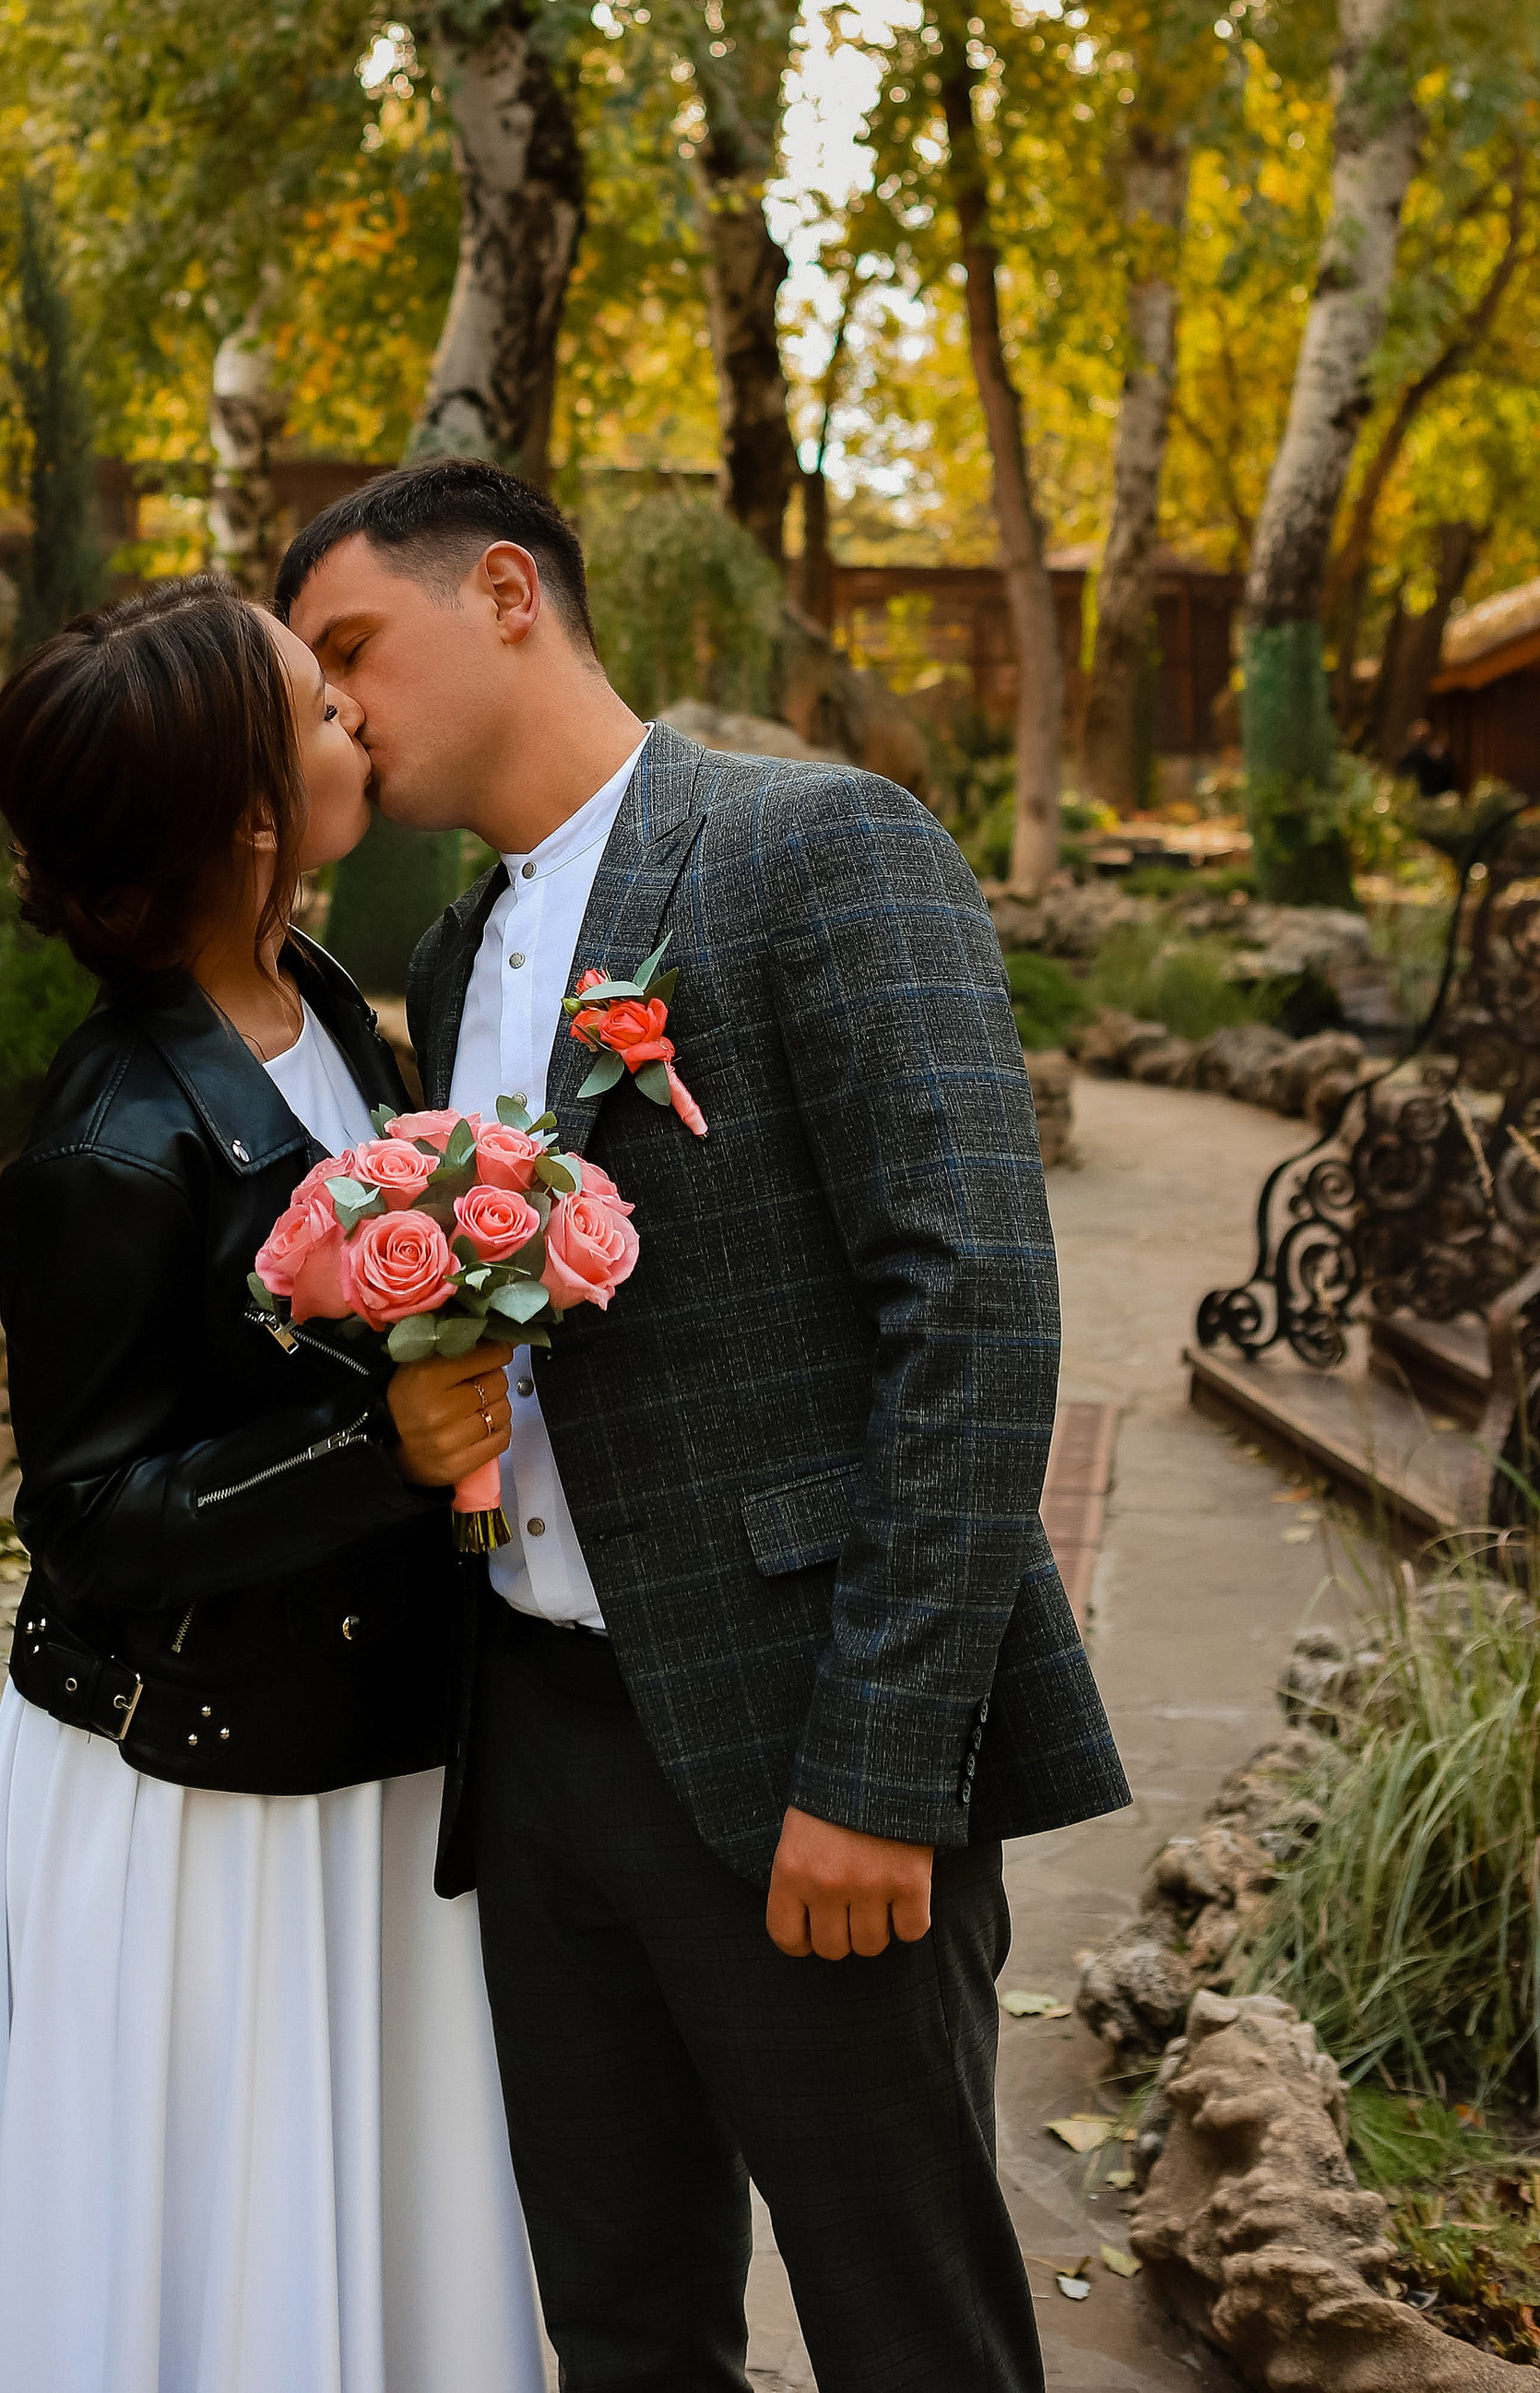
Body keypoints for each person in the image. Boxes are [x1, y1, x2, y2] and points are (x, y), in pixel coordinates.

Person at [280, 462, 1132, 2393]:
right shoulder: (444, 952)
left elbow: (974, 1308)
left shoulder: (816, 843)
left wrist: (881, 1762)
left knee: (904, 2325)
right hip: (544, 1744)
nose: (339, 714)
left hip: (796, 1740)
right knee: (620, 2325)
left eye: (350, 652)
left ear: (503, 589)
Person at [0, 573, 543, 2393]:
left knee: (386, 2231)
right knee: (219, 2252)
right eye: (317, 701)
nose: (357, 713)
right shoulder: (106, 1142)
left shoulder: (321, 1003)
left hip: (358, 1744)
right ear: (250, 811)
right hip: (204, 1798)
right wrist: (379, 1443)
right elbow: (91, 1526)